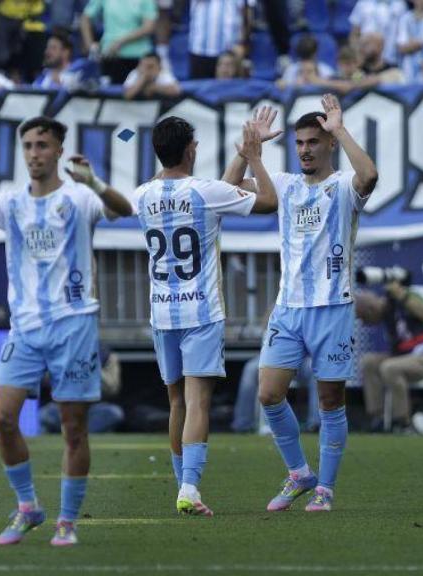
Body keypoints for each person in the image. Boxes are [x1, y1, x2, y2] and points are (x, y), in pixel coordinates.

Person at [0, 116, 133, 546]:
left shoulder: (80, 198)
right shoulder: (9, 203)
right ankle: (28, 507)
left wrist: (96, 182)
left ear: (59, 150)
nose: (34, 154)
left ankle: (67, 520)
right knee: (2, 417)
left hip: (74, 325)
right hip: (24, 328)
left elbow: (124, 209)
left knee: (73, 427)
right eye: (27, 146)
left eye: (42, 145)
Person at [224, 96, 378, 513]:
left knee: (330, 401)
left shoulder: (343, 186)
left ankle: (325, 488)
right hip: (288, 309)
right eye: (300, 143)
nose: (306, 149)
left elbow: (370, 175)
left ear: (328, 144)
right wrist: (246, 153)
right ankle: (299, 474)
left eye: (314, 141)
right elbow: (228, 190)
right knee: (269, 394)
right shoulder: (285, 184)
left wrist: (340, 128)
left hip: (332, 307)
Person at [132, 114, 278, 516]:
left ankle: (182, 484)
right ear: (191, 149)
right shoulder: (204, 192)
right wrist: (255, 157)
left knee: (177, 403)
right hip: (201, 312)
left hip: (162, 313)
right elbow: (269, 201)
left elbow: (221, 190)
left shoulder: (142, 195)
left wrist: (241, 160)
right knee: (198, 403)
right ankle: (190, 489)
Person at [359, 277, 423, 433]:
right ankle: (378, 419)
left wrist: (401, 295)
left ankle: (402, 423)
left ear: (370, 310)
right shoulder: (387, 310)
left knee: (389, 368)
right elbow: (375, 316)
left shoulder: (408, 296)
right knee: (368, 362)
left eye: (364, 318)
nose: (364, 323)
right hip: (407, 359)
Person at [40, 345, 125, 433]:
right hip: (65, 409)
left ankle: (80, 434)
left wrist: (92, 367)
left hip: (92, 410)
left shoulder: (106, 355)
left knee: (115, 413)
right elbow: (45, 380)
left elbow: (112, 388)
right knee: (45, 414)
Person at [232, 355, 318, 433]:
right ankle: (243, 424)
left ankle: (316, 424)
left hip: (302, 360)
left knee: (316, 367)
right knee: (250, 367)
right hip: (273, 357)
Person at [81, 0, 157, 84]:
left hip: (139, 58)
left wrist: (120, 42)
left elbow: (149, 27)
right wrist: (91, 46)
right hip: (110, 57)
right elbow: (85, 19)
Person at [186, 0, 250, 80]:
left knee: (228, 90)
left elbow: (246, 14)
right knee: (200, 88)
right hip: (200, 49)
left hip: (229, 51)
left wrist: (242, 43)